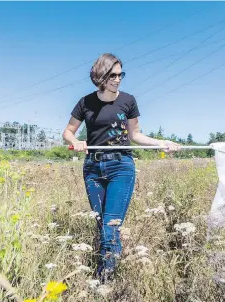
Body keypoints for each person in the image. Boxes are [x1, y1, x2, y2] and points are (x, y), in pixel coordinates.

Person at [62, 53, 180, 282]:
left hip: (121, 166)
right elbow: (68, 131)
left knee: (111, 224)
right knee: (101, 223)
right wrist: (74, 142)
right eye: (112, 75)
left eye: (120, 75)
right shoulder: (85, 103)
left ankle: (106, 278)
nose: (118, 79)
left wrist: (161, 143)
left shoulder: (128, 100)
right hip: (93, 168)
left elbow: (135, 135)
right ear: (101, 77)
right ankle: (107, 270)